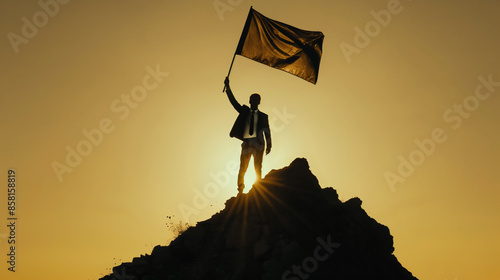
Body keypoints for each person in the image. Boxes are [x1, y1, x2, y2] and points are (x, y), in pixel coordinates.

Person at [224, 77, 272, 194]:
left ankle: (258, 187)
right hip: (247, 143)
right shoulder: (244, 111)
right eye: (252, 99)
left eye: (256, 100)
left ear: (259, 102)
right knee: (243, 168)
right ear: (249, 101)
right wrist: (228, 88)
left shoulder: (263, 116)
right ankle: (240, 188)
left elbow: (267, 131)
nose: (254, 101)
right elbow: (234, 103)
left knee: (257, 167)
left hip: (259, 144)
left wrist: (269, 145)